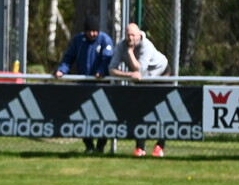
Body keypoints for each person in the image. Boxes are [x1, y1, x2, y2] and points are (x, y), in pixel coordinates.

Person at [53, 14, 114, 154]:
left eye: (95, 31)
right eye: (90, 31)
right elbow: (69, 57)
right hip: (83, 84)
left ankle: (101, 146)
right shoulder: (78, 40)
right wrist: (61, 70)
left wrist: (100, 72)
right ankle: (89, 146)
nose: (93, 34)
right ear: (85, 31)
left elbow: (107, 59)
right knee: (83, 115)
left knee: (104, 116)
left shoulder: (105, 40)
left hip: (101, 84)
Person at [109, 22, 170, 157]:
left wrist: (130, 52)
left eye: (133, 35)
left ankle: (160, 146)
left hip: (161, 75)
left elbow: (140, 70)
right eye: (128, 35)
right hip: (141, 79)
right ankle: (140, 148)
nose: (130, 38)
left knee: (161, 111)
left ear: (139, 35)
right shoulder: (121, 46)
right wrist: (128, 75)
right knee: (140, 111)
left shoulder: (146, 45)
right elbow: (112, 69)